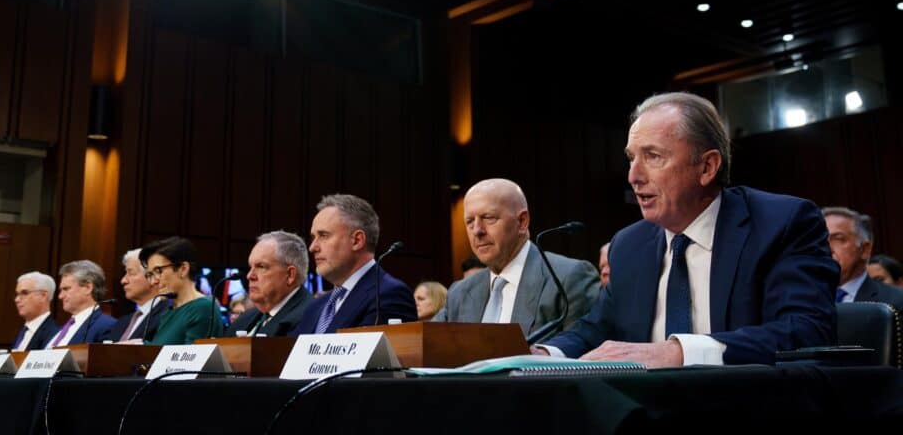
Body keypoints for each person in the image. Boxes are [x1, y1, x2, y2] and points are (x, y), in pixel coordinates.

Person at [538, 92, 839, 366]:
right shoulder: (630, 244)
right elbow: (595, 332)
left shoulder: (781, 223)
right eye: (631, 158)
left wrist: (680, 352)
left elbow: (805, 330)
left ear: (707, 167)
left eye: (653, 156)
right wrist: (541, 354)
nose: (633, 176)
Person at [433, 178, 599, 338]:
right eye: (470, 221)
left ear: (522, 222)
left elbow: (584, 348)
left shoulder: (568, 278)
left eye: (489, 218)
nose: (477, 230)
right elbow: (426, 343)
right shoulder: (460, 292)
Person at [292, 194, 417, 334]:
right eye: (313, 237)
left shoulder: (388, 295)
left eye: (324, 236)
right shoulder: (315, 306)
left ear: (357, 241)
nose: (312, 247)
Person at [224, 231, 312, 336]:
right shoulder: (242, 320)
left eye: (261, 266)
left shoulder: (309, 319)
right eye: (250, 267)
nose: (250, 276)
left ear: (290, 275)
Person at [141, 236, 223, 345]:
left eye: (159, 271)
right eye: (151, 274)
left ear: (183, 269)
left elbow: (189, 359)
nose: (153, 282)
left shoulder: (202, 308)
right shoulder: (169, 311)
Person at [823, 207, 903, 309]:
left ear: (865, 249)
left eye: (838, 239)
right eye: (820, 240)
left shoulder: (896, 302)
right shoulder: (801, 299)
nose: (826, 248)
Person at [46, 260, 117, 347]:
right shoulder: (59, 330)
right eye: (61, 290)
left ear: (87, 288)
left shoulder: (107, 326)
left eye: (66, 289)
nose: (60, 296)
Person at [105, 249, 169, 342]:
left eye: (131, 273)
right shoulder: (122, 321)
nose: (123, 281)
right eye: (125, 274)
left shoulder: (168, 315)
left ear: (153, 276)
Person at [12, 271, 60, 351]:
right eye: (17, 294)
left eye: (24, 293)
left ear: (43, 295)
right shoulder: (23, 332)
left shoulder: (54, 334)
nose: (17, 299)